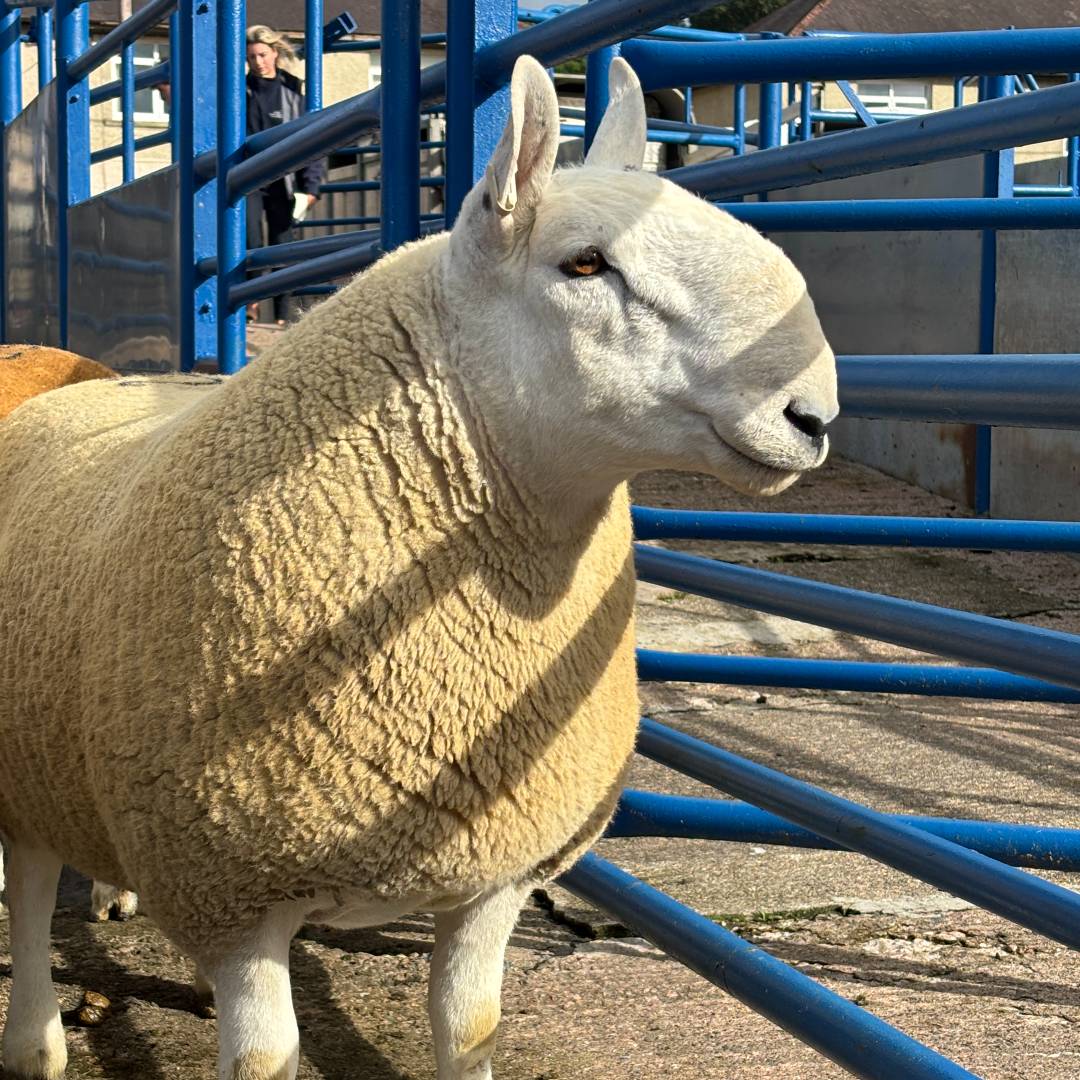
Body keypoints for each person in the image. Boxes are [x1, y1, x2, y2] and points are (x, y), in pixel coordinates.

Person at [245, 24, 325, 326]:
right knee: (248, 241)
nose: (257, 62)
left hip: (283, 181)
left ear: (275, 54)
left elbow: (310, 142)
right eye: (252, 56)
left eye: (262, 54)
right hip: (248, 180)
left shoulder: (293, 94)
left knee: (282, 245)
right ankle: (248, 305)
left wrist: (312, 186)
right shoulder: (240, 93)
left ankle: (282, 317)